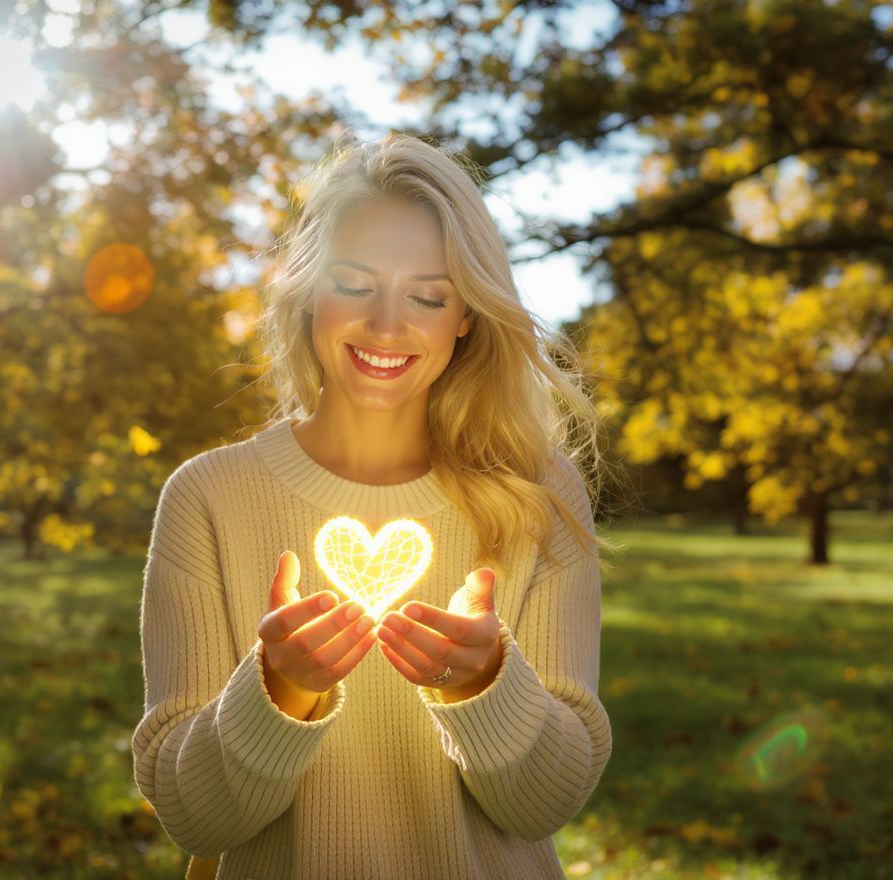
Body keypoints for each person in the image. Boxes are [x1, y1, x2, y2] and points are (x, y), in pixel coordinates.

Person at [131, 131, 618, 880]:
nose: (389, 325)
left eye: (429, 295)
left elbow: (543, 807)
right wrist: (281, 688)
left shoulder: (538, 492)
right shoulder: (209, 497)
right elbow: (192, 817)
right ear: (308, 291)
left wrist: (484, 682)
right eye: (355, 284)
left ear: (467, 316)